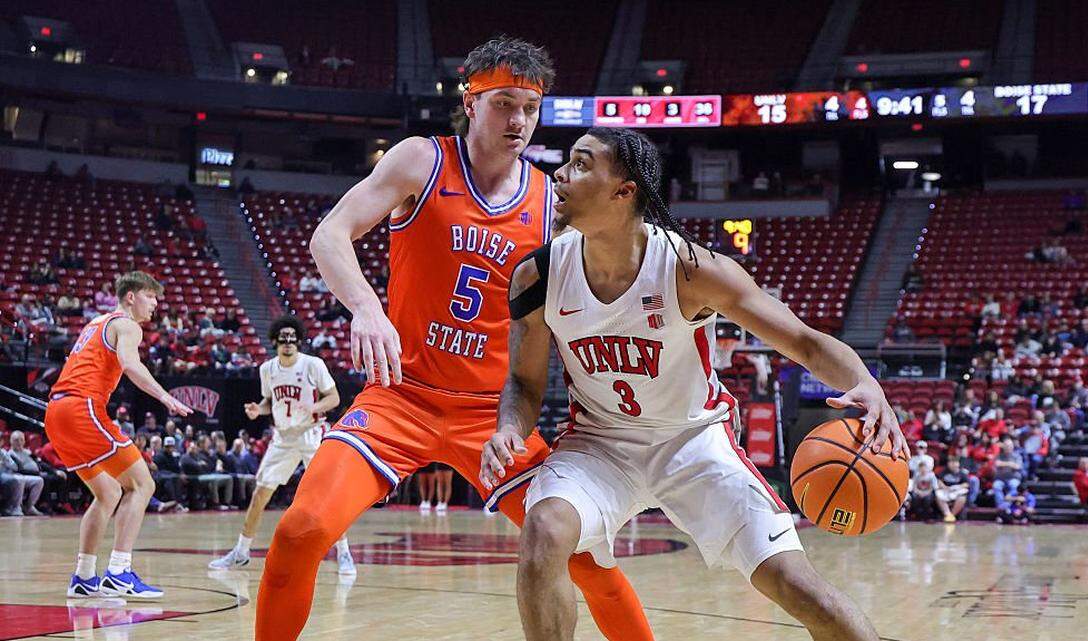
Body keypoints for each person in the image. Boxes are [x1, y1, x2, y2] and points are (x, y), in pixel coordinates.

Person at [255, 38, 653, 641]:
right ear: (470, 101)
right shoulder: (421, 160)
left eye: (529, 106)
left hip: (494, 420)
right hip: (401, 398)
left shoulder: (552, 202)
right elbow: (330, 235)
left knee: (589, 560)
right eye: (503, 104)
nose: (518, 120)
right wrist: (366, 308)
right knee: (300, 530)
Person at [481, 128, 903, 640]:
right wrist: (509, 429)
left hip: (693, 442)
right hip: (598, 446)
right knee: (545, 529)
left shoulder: (688, 269)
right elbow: (523, 384)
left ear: (624, 190)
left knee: (795, 583)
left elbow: (805, 342)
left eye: (581, 163)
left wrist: (867, 382)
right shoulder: (539, 275)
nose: (560, 175)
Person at [44, 271, 193, 598]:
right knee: (144, 484)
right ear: (130, 297)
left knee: (109, 493)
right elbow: (130, 364)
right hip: (82, 408)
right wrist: (165, 396)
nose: (155, 303)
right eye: (150, 296)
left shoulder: (96, 323)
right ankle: (119, 571)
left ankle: (83, 577)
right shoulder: (127, 325)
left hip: (57, 412)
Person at [210, 315, 353, 574]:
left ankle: (344, 553)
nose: (288, 343)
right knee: (260, 494)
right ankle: (241, 552)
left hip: (311, 433)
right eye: (283, 339)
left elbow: (334, 398)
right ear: (275, 341)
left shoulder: (313, 364)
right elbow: (269, 401)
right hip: (283, 437)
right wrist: (258, 409)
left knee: (328, 496)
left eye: (292, 339)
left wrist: (315, 406)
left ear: (298, 341)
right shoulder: (268, 369)